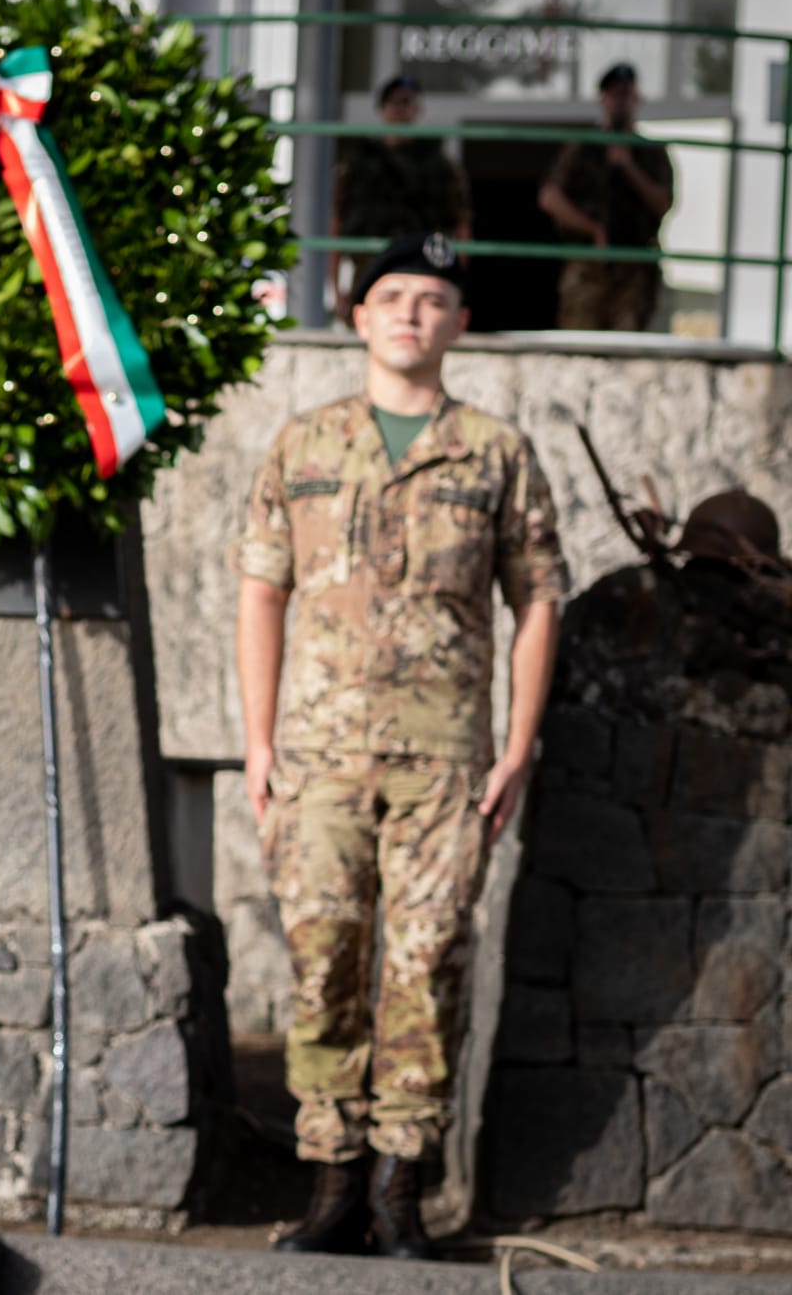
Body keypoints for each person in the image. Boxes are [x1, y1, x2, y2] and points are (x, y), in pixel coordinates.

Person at [232, 231, 568, 1260]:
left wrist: (515, 747)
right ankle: (330, 1184)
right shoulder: (303, 445)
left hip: (444, 765)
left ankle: (396, 1191)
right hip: (318, 760)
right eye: (391, 296)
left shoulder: (494, 451)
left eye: (431, 299)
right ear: (358, 314)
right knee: (323, 959)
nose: (410, 314)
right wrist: (255, 741)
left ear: (458, 323)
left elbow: (538, 598)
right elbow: (260, 590)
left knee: (424, 970)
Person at [537, 62, 674, 331]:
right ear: (603, 99)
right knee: (580, 340)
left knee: (628, 346)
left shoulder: (651, 152)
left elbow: (664, 204)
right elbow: (549, 196)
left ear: (636, 98)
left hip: (635, 264)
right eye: (614, 94)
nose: (620, 101)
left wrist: (629, 166)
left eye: (626, 93)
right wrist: (593, 229)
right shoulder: (582, 147)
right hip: (587, 263)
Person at [330, 75, 472, 320]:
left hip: (422, 264)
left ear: (417, 109)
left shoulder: (438, 163)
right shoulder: (357, 164)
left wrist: (456, 278)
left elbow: (460, 223)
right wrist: (333, 286)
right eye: (393, 102)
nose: (400, 109)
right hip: (371, 264)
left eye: (407, 102)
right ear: (382, 109)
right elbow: (337, 222)